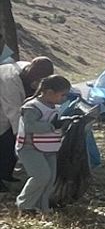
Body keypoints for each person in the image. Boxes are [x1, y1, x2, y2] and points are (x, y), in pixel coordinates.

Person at [14, 74, 70, 212]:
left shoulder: (52, 105)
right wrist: (52, 126)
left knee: (49, 178)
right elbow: (30, 126)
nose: (64, 98)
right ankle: (25, 205)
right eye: (62, 95)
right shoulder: (32, 107)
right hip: (29, 148)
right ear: (50, 92)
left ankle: (41, 206)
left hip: (48, 148)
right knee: (41, 176)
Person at [0, 56, 54, 186]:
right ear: (31, 75)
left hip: (9, 108)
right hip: (5, 108)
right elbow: (13, 111)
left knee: (8, 144)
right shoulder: (10, 80)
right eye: (36, 81)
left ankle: (6, 173)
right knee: (4, 143)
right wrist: (23, 135)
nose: (36, 84)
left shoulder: (31, 68)